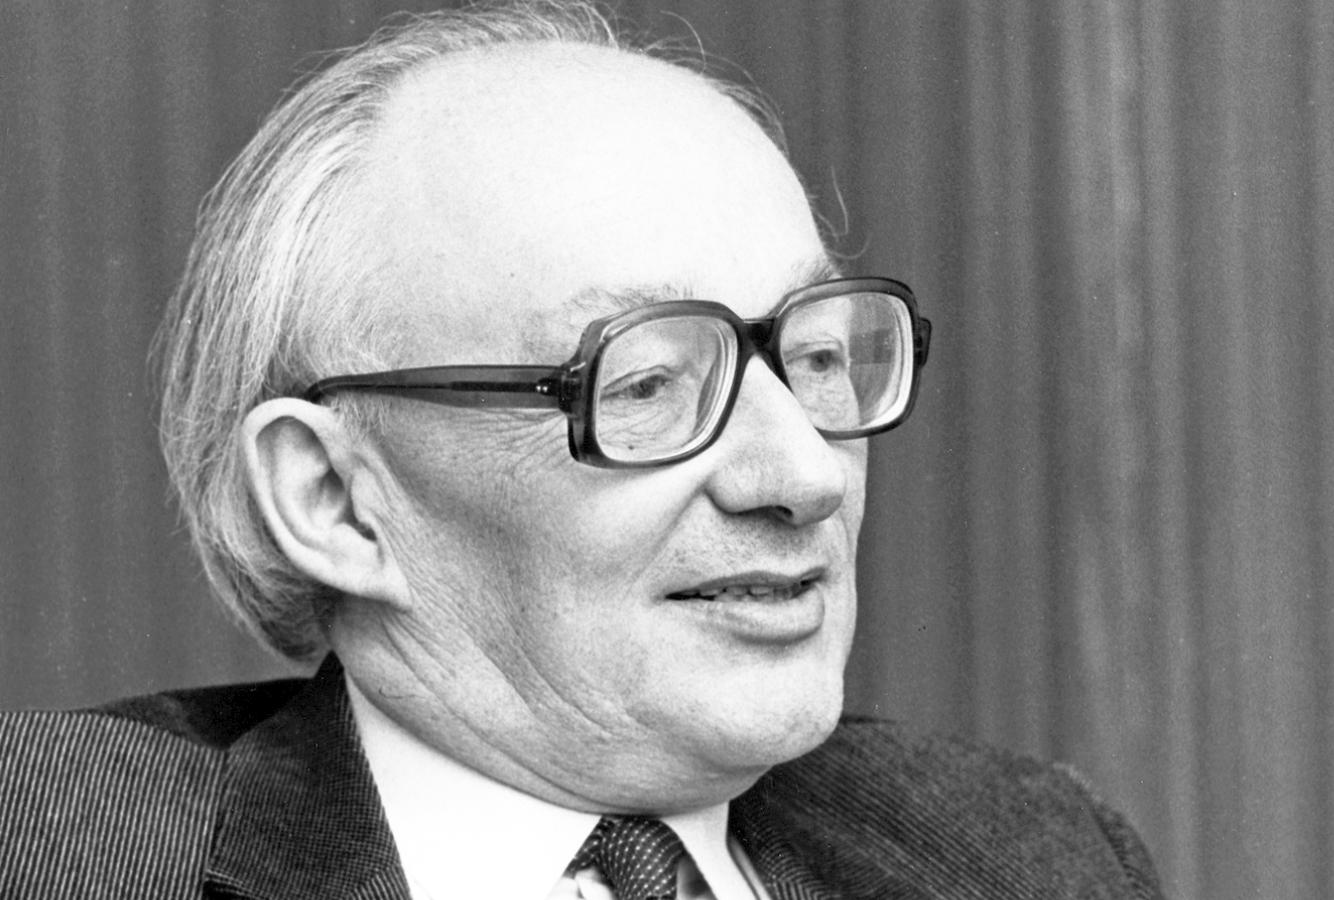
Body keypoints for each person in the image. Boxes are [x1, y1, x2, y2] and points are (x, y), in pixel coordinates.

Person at [0, 3, 1163, 898]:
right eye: (645, 383)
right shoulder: (59, 849)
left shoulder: (1024, 851)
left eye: (813, 357)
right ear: (336, 503)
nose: (804, 476)